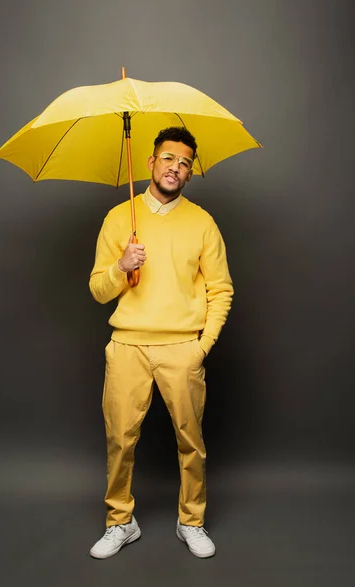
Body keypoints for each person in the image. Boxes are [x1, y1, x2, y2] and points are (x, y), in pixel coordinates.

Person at [89, 127, 233, 559]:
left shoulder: (202, 222)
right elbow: (98, 289)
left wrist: (201, 345)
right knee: (120, 439)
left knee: (191, 441)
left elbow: (221, 289)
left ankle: (192, 519)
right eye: (168, 158)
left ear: (190, 173)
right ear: (150, 163)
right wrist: (121, 266)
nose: (176, 167)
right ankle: (120, 521)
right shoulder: (119, 218)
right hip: (127, 347)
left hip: (181, 349)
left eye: (185, 163)